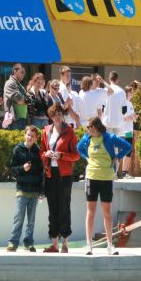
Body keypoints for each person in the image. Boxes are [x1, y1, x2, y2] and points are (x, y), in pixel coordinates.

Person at [78, 116, 133, 256]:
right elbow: (79, 148)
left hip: (106, 178)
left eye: (89, 127)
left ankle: (110, 245)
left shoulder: (109, 137)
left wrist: (117, 157)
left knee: (107, 211)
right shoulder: (87, 138)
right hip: (91, 177)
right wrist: (86, 158)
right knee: (91, 210)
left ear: (95, 127)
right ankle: (89, 245)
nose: (87, 130)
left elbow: (128, 146)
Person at [40, 104, 80, 253]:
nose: (57, 116)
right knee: (53, 208)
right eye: (54, 114)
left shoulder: (69, 131)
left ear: (62, 115)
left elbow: (76, 155)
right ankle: (54, 244)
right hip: (51, 174)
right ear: (51, 116)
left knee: (64, 208)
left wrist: (61, 155)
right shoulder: (46, 131)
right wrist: (47, 155)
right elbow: (42, 152)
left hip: (65, 175)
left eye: (59, 113)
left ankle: (65, 244)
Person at [7, 125, 43, 252]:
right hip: (22, 190)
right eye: (28, 135)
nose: (30, 137)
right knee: (18, 218)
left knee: (31, 220)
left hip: (34, 191)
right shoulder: (18, 150)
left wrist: (42, 191)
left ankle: (28, 243)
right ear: (24, 135)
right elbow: (12, 170)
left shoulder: (38, 151)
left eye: (32, 136)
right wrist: (23, 168)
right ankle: (13, 242)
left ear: (36, 138)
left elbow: (41, 173)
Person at [3, 63, 27, 130]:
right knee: (16, 140)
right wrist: (27, 100)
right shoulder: (10, 83)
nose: (23, 74)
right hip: (14, 119)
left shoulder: (20, 85)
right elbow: (20, 100)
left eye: (24, 72)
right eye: (21, 71)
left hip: (22, 118)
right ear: (15, 71)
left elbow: (26, 100)